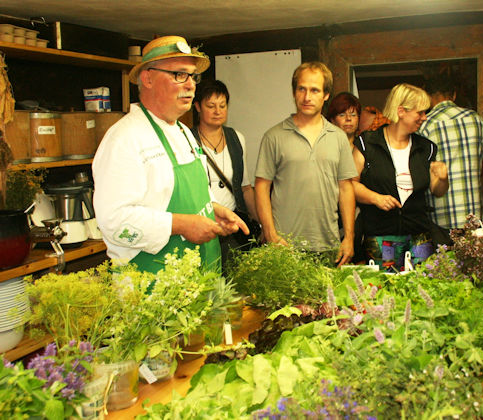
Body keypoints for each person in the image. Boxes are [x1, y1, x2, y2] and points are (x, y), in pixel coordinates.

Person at [93, 36, 247, 274]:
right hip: (153, 286)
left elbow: (192, 197)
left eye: (192, 76)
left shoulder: (184, 132)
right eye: (179, 75)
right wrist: (181, 225)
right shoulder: (124, 138)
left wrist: (214, 211)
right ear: (148, 78)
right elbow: (114, 221)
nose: (190, 85)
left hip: (201, 277)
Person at [254, 62, 357, 266]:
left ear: (326, 95)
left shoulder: (338, 137)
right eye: (301, 89)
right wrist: (270, 233)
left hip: (329, 244)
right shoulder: (274, 136)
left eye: (314, 90)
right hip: (284, 246)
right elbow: (261, 187)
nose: (307, 97)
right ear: (294, 92)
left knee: (327, 299)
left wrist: (349, 237)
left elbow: (346, 188)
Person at [352, 83, 449, 272]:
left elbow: (437, 191)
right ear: (401, 111)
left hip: (419, 236)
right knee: (385, 293)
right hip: (380, 236)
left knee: (422, 291)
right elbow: (350, 186)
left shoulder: (426, 148)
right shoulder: (367, 143)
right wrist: (375, 198)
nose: (424, 117)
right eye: (419, 113)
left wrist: (443, 179)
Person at [191, 79, 259, 268]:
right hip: (201, 226)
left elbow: (245, 188)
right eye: (210, 106)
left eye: (222, 105)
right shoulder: (186, 139)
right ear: (197, 107)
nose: (217, 111)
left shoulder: (237, 138)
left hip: (232, 228)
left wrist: (260, 223)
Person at [418, 74, 483, 229]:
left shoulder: (424, 126)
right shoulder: (476, 119)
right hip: (474, 214)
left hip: (439, 217)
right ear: (454, 95)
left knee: (444, 254)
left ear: (428, 97)